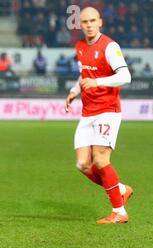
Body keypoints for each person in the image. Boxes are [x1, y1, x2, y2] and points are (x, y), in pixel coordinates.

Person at [64, 7, 133, 224]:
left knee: (101, 161)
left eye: (93, 20)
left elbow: (125, 76)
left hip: (107, 111)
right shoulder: (80, 46)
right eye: (85, 22)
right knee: (83, 165)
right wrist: (75, 91)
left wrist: (98, 82)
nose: (89, 25)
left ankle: (119, 212)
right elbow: (85, 74)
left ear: (100, 22)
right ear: (80, 24)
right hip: (88, 112)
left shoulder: (110, 47)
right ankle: (121, 188)